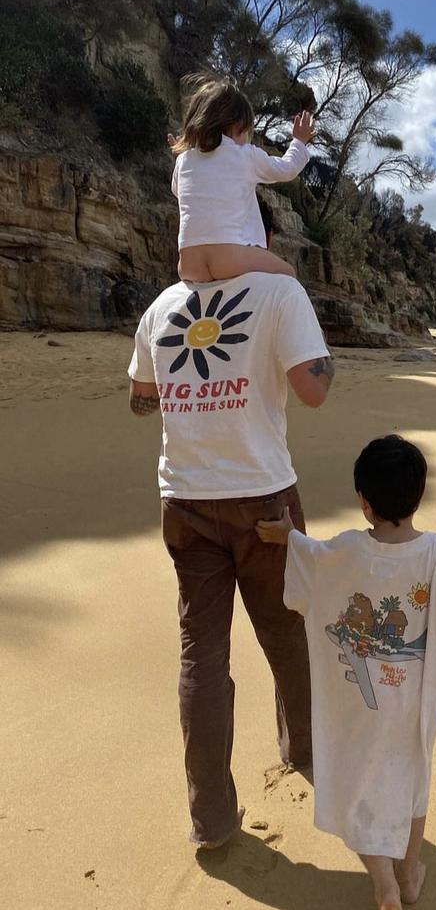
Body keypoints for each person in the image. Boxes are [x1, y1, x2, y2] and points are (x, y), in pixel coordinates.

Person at [127, 266, 334, 850]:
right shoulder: (279, 291)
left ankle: (212, 820)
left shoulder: (161, 306)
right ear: (260, 237)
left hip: (185, 497)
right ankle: (305, 748)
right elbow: (315, 390)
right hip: (262, 493)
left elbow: (142, 402)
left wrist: (189, 394)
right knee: (286, 630)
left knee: (202, 656)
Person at [257, 435, 436, 910]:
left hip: (357, 705)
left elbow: (312, 562)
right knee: (413, 782)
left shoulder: (347, 549)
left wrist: (287, 535)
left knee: (358, 784)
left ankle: (383, 881)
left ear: (364, 503)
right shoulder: (435, 552)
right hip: (410, 707)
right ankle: (408, 875)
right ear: (419, 496)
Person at [170, 74, 314, 283]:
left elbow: (179, 192)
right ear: (238, 127)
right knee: (288, 275)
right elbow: (287, 169)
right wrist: (299, 142)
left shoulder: (184, 160)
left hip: (188, 265)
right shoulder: (245, 154)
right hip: (229, 258)